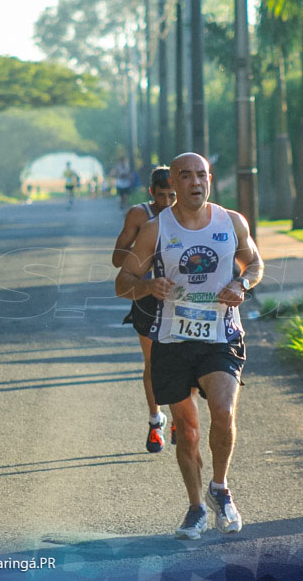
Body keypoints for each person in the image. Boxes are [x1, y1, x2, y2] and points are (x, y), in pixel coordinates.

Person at [114, 152, 263, 540]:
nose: (195, 182)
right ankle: (196, 507)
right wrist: (147, 286)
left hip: (221, 335)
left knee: (223, 409)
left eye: (201, 175)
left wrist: (241, 284)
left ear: (209, 179)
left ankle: (220, 487)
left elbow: (256, 265)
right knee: (188, 429)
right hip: (172, 338)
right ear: (173, 185)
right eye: (186, 176)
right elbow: (122, 281)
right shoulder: (154, 229)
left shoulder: (231, 222)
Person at [112, 166, 177, 453]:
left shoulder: (190, 213)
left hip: (179, 297)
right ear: (151, 192)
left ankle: (179, 419)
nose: (167, 202)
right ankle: (155, 421)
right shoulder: (140, 215)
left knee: (184, 359)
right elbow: (117, 259)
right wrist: (143, 251)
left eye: (172, 195)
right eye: (162, 195)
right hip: (147, 295)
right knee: (153, 362)